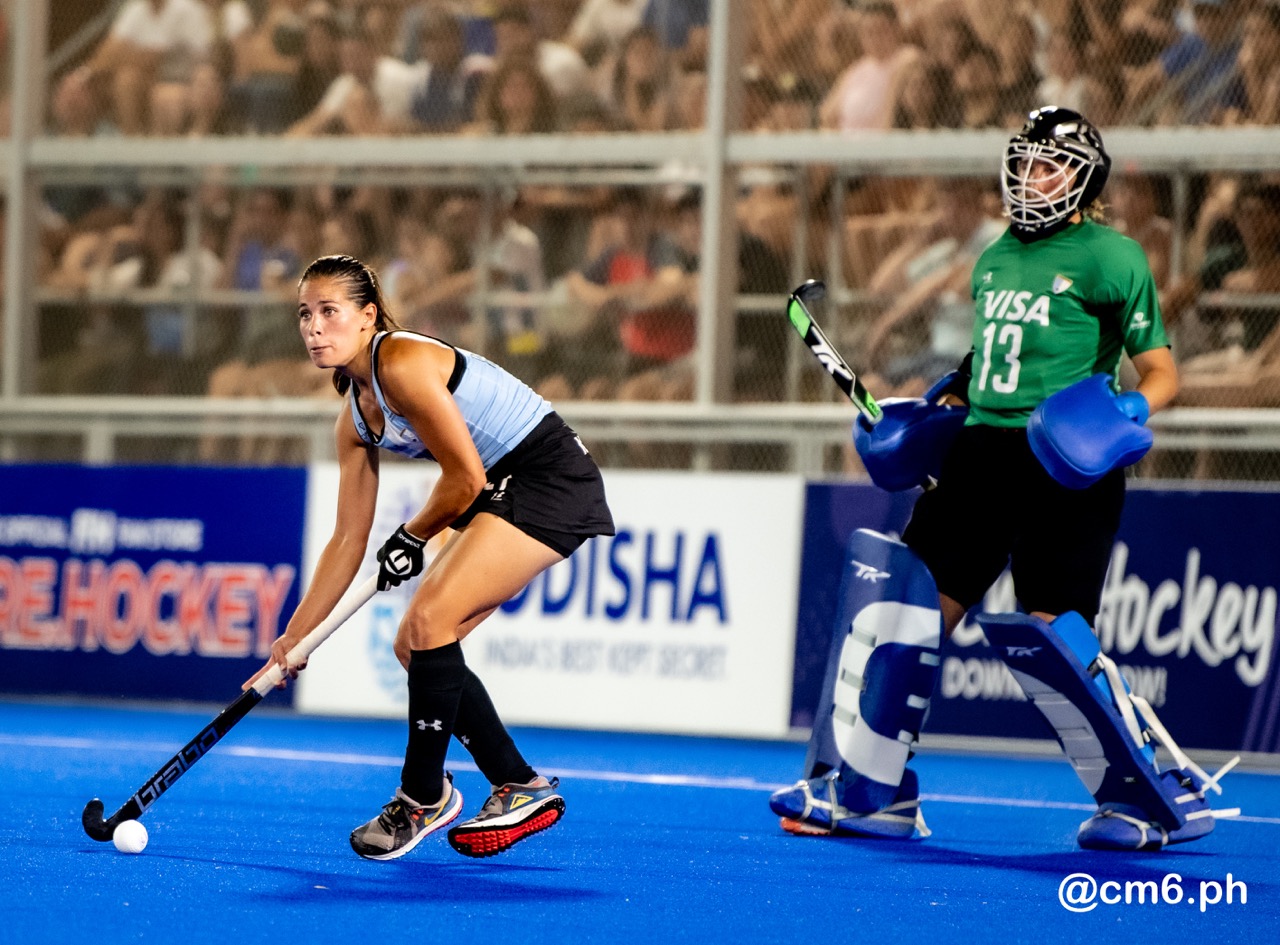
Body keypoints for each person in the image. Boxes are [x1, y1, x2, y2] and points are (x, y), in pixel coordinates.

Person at [770, 108, 1233, 852]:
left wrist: (1123, 413)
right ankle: (875, 792)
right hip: (980, 457)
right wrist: (933, 404)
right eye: (1023, 162)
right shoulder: (994, 258)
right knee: (907, 610)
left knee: (1057, 639)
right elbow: (987, 362)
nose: (1029, 177)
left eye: (1047, 165)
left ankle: (1152, 799)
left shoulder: (1115, 257)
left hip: (1064, 459)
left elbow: (1163, 372)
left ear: (1085, 178)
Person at [245, 254, 614, 860]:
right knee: (414, 646)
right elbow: (346, 540)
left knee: (427, 624)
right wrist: (295, 638)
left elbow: (463, 478)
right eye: (305, 315)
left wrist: (412, 537)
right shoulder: (355, 419)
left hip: (545, 480)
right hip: (499, 488)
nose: (314, 328)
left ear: (368, 318)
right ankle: (518, 784)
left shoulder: (404, 363)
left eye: (329, 312)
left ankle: (421, 798)